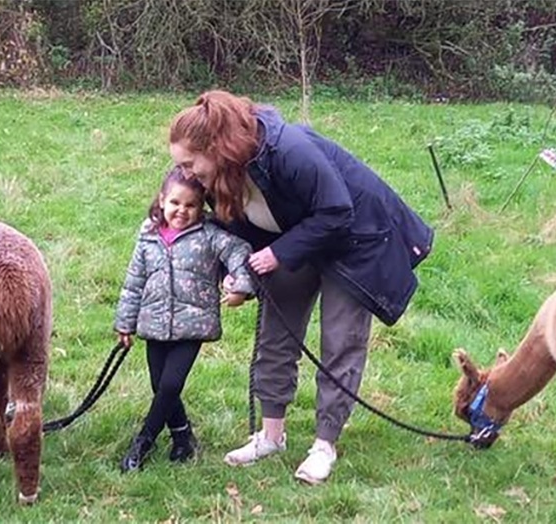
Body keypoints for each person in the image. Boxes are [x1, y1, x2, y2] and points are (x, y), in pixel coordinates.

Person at [168, 90, 434, 485]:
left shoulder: (288, 149)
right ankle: (271, 436)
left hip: (353, 242)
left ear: (215, 147)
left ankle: (324, 445)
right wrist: (241, 277)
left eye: (190, 163)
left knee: (340, 342)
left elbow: (337, 210)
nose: (187, 174)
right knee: (275, 334)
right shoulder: (221, 173)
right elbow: (236, 231)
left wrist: (277, 255)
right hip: (297, 240)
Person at [113, 166, 254, 472]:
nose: (182, 211)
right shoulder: (148, 235)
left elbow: (239, 252)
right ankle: (182, 438)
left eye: (191, 205)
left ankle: (143, 442)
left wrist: (240, 286)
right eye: (175, 203)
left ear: (201, 206)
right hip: (154, 323)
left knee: (171, 384)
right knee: (159, 385)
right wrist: (125, 322)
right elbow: (134, 280)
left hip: (193, 324)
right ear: (162, 200)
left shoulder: (209, 235)